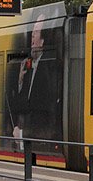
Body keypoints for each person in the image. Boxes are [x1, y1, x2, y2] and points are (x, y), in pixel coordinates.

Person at [6, 14, 61, 154]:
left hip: (38, 142)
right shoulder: (28, 67)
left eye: (35, 33)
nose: (32, 37)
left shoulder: (49, 68)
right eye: (32, 33)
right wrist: (19, 82)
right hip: (24, 137)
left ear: (42, 42)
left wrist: (23, 134)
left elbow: (47, 110)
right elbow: (21, 105)